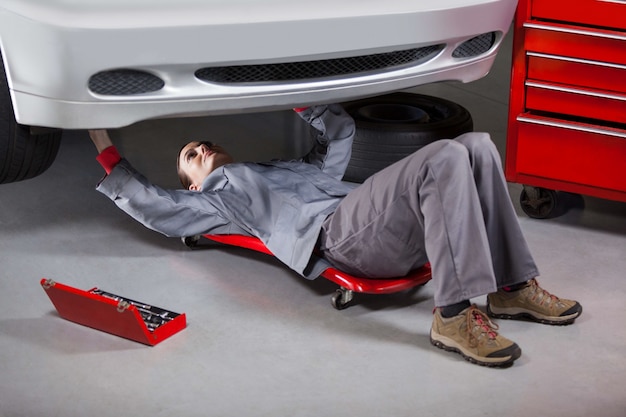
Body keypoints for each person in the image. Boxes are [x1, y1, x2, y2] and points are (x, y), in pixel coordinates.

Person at [89, 104, 582, 367]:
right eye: (190, 155)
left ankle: (511, 288)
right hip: (342, 239)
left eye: (204, 142)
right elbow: (155, 207)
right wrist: (101, 141)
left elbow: (340, 136)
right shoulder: (215, 200)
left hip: (376, 222)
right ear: (192, 184)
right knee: (446, 155)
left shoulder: (284, 167)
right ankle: (452, 317)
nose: (200, 147)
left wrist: (296, 97)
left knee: (475, 144)